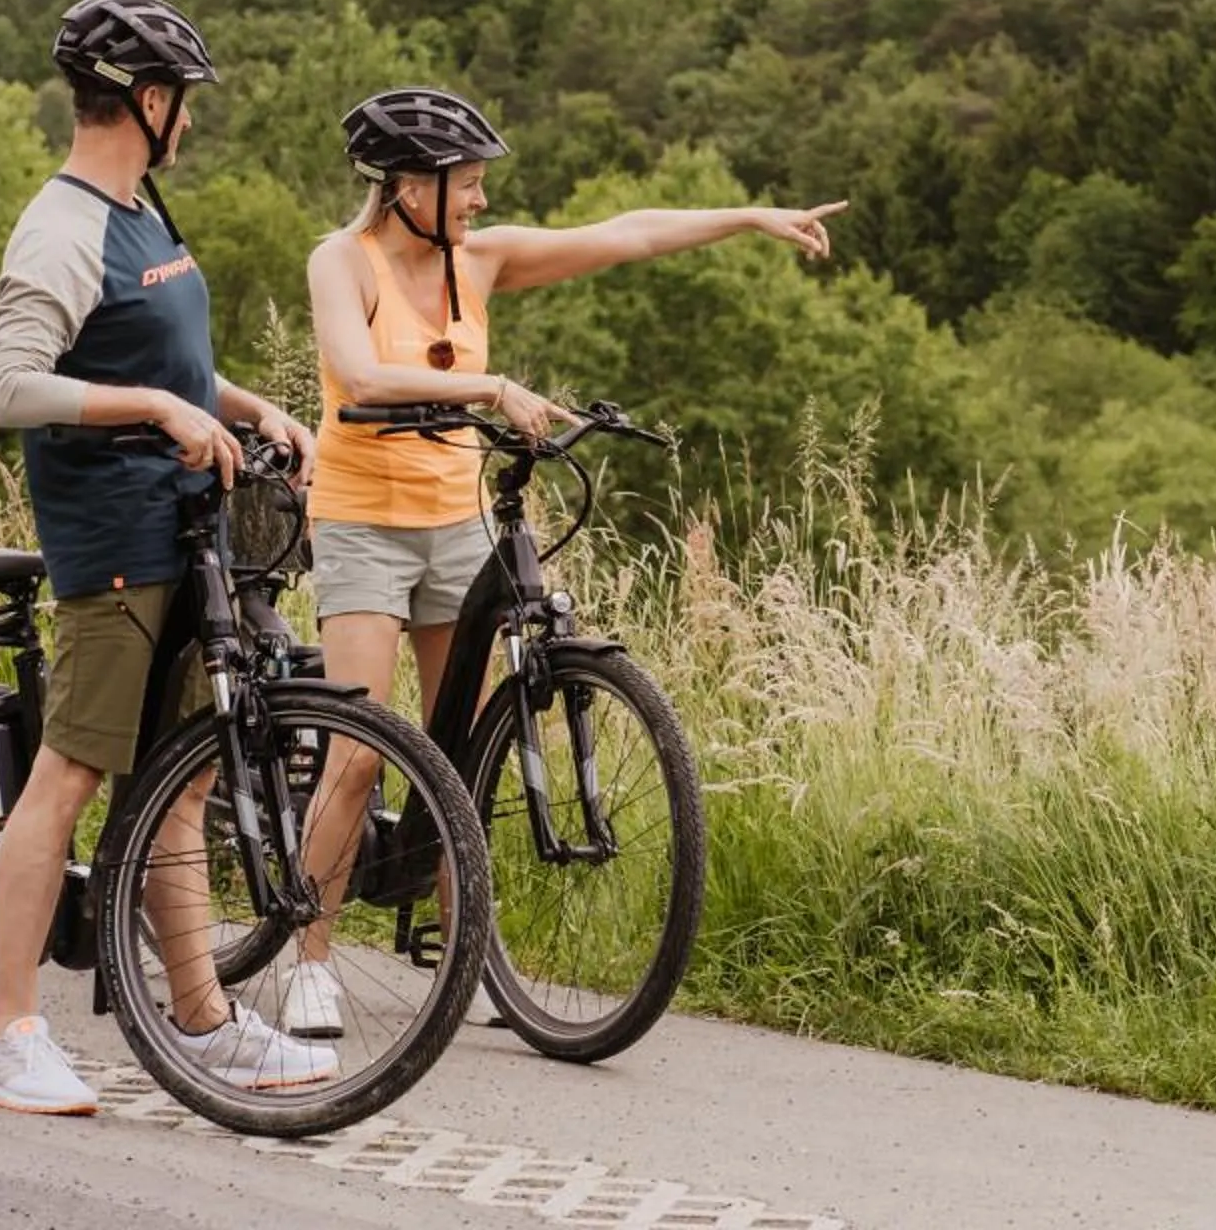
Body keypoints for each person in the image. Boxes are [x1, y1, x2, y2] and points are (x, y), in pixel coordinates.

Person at [282, 84, 843, 1038]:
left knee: (458, 755)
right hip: (364, 523)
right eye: (467, 183)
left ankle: (466, 965)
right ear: (408, 183)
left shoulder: (482, 262)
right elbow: (360, 374)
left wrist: (749, 218)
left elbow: (625, 233)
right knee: (360, 757)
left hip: (455, 519)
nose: (480, 202)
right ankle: (310, 960)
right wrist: (493, 385)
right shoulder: (345, 261)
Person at [0, 0, 325, 1116]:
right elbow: (9, 385)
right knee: (70, 772)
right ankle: (8, 1029)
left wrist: (253, 407)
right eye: (186, 103)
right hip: (114, 540)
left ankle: (202, 1015)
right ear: (148, 100)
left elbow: (163, 362)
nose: (192, 122)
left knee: (182, 779)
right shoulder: (63, 224)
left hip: (185, 529)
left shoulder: (143, 211)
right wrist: (160, 416)